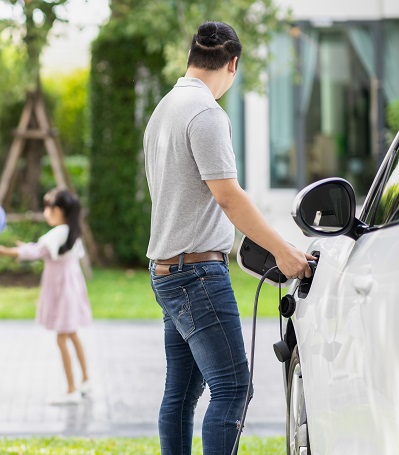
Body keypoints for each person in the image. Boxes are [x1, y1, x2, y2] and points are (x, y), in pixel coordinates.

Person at [144, 21, 315, 455]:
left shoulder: (164, 109)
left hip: (167, 272)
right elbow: (228, 197)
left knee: (180, 395)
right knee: (233, 387)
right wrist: (283, 250)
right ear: (232, 64)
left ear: (191, 57)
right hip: (196, 274)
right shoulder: (205, 114)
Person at [0, 188, 92, 405]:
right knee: (71, 334)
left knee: (62, 337)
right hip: (70, 289)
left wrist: (4, 251)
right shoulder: (70, 230)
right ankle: (85, 380)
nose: (45, 212)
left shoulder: (58, 232)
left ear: (58, 210)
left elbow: (37, 252)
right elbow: (42, 249)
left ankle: (71, 390)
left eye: (48, 207)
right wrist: (26, 248)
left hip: (63, 292)